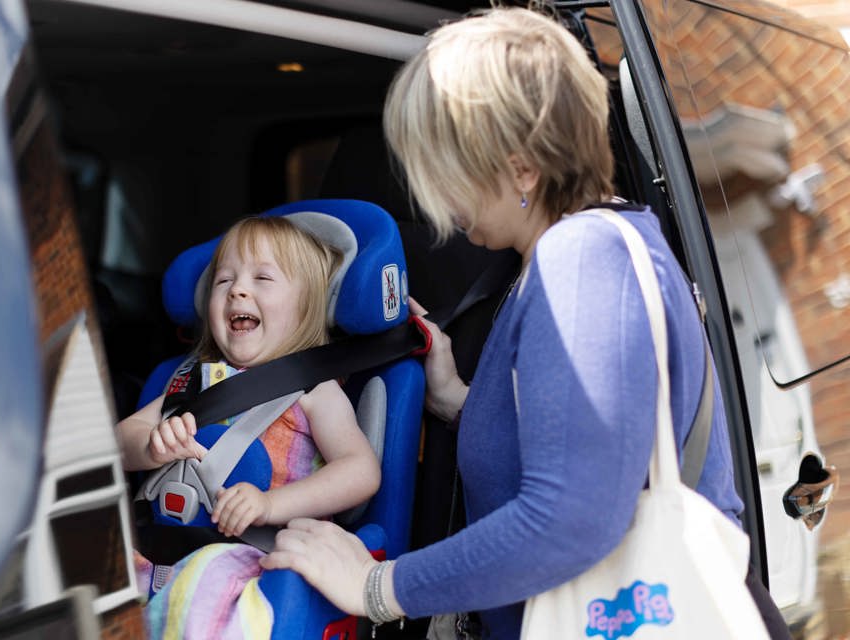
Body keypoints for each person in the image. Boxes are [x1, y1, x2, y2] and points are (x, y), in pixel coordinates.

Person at [260, 7, 791, 639]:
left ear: (521, 167)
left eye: (445, 167)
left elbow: (570, 517)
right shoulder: (570, 256)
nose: (439, 201)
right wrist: (457, 396)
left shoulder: (582, 260)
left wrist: (377, 586)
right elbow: (583, 444)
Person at [117, 216, 381, 638]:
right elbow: (118, 442)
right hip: (161, 550)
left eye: (262, 278)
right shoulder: (189, 378)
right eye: (224, 281)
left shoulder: (314, 389)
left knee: (199, 592)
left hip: (255, 558)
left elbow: (360, 471)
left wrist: (270, 505)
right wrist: (150, 445)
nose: (238, 289)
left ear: (306, 305)